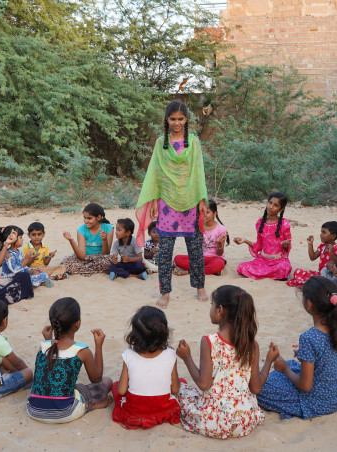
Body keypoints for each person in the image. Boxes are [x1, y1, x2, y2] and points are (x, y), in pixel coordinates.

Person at [134, 100, 208, 308]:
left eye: (181, 119)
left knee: (195, 248)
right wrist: (156, 200)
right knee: (165, 250)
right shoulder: (161, 143)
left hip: (191, 199)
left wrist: (202, 200)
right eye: (173, 119)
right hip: (167, 201)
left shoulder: (193, 142)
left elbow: (198, 171)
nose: (177, 123)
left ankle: (200, 287)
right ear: (167, 119)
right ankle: (165, 292)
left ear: (186, 120)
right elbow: (156, 173)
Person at [176, 286, 272, 439]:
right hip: (245, 419)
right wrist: (269, 361)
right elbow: (255, 387)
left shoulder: (209, 341)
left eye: (211, 305)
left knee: (181, 389)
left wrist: (186, 357)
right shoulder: (252, 344)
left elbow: (203, 384)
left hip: (213, 421)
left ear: (220, 310)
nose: (211, 309)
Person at [257, 277, 337, 419]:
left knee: (262, 388)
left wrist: (284, 368)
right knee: (291, 365)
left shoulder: (310, 338)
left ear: (309, 304)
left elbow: (305, 386)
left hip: (316, 403)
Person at [27, 297, 113, 423]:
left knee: (67, 387)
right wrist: (98, 346)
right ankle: (91, 406)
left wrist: (47, 339)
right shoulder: (82, 351)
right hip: (65, 412)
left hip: (34, 410)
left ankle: (85, 404)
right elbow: (97, 379)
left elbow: (47, 372)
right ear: (77, 323)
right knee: (107, 381)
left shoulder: (43, 346)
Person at [112, 306, 181, 429]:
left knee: (115, 386)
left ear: (135, 335)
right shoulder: (171, 354)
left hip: (135, 412)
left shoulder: (128, 355)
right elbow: (175, 389)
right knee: (182, 382)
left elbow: (122, 391)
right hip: (164, 409)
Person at [235, 192, 291, 280]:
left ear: (281, 209)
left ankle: (269, 274)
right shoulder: (260, 222)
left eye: (275, 205)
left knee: (284, 268)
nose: (271, 206)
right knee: (242, 267)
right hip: (263, 261)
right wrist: (245, 241)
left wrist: (285, 246)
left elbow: (287, 248)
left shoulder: (284, 224)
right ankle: (272, 275)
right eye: (270, 203)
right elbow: (259, 246)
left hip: (278, 261)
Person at [174, 199, 228, 277]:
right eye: (202, 212)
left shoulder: (221, 229)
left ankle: (189, 272)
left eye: (208, 212)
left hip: (214, 258)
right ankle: (206, 270)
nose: (204, 214)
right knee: (178, 259)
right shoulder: (198, 226)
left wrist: (219, 243)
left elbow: (219, 253)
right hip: (198, 258)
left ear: (214, 214)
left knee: (218, 264)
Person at [60, 203, 114, 276]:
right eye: (84, 218)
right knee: (65, 263)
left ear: (98, 217)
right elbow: (81, 256)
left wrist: (104, 240)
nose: (86, 221)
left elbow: (106, 254)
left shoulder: (108, 228)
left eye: (89, 218)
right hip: (85, 258)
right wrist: (71, 240)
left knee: (109, 261)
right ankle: (98, 271)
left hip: (100, 258)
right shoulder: (81, 229)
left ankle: (85, 271)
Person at [286, 221, 337, 288]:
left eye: (324, 232)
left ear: (333, 236)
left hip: (330, 277)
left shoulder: (336, 248)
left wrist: (331, 252)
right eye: (321, 232)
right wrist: (310, 244)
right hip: (320, 274)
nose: (321, 234)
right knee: (299, 272)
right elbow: (312, 257)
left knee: (309, 281)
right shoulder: (323, 246)